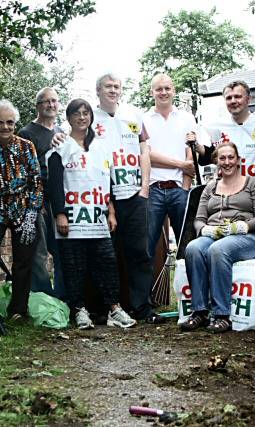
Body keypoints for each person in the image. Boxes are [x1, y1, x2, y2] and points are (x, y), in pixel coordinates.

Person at [46, 99, 136, 329]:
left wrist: (111, 212)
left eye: (86, 113)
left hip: (97, 216)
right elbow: (55, 183)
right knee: (74, 266)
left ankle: (114, 309)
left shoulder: (101, 146)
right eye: (77, 114)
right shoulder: (61, 145)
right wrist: (60, 214)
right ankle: (79, 311)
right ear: (68, 118)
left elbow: (108, 181)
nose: (82, 117)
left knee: (107, 262)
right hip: (73, 218)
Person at [91, 73, 160, 324]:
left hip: (134, 193)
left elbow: (144, 149)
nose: (113, 90)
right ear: (98, 91)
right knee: (105, 253)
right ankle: (106, 307)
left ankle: (142, 307)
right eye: (108, 87)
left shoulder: (134, 115)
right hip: (103, 196)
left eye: (117, 87)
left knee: (139, 251)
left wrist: (144, 188)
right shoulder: (89, 117)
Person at [181, 142, 255, 333]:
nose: (227, 162)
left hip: (246, 237)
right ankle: (200, 311)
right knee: (194, 248)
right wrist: (205, 230)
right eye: (222, 158)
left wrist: (243, 226)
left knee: (218, 249)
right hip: (215, 234)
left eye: (231, 157)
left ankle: (222, 315)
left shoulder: (252, 183)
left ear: (238, 160)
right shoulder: (210, 187)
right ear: (216, 161)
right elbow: (199, 219)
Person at [0, 99, 42, 321]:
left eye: (10, 122)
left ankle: (19, 310)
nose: (5, 127)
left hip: (23, 210)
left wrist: (31, 214)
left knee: (24, 260)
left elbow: (36, 183)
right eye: (0, 122)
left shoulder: (26, 147)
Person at [144, 73, 197, 258]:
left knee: (187, 246)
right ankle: (146, 288)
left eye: (167, 88)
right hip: (153, 190)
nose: (163, 92)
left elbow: (191, 154)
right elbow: (146, 156)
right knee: (147, 248)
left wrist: (185, 187)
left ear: (173, 90)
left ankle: (188, 287)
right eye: (159, 89)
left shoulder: (187, 118)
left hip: (179, 190)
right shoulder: (144, 119)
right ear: (152, 92)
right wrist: (180, 164)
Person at [18, 87, 64, 299]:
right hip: (36, 200)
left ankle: (64, 296)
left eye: (54, 101)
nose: (51, 105)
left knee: (63, 247)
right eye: (46, 101)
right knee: (39, 251)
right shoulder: (27, 133)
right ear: (38, 106)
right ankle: (44, 297)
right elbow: (24, 172)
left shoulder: (61, 133)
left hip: (59, 198)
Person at [191, 80, 255, 177]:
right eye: (228, 98)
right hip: (228, 188)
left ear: (248, 99)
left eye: (238, 96)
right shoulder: (216, 126)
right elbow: (211, 157)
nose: (233, 101)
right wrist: (197, 146)